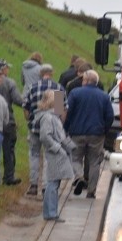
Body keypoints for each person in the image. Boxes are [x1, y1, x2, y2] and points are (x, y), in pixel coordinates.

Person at [65, 70, 114, 199]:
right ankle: (91, 191)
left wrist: (66, 128)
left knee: (75, 158)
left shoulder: (75, 93)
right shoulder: (104, 96)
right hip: (97, 134)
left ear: (85, 81)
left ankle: (79, 176)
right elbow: (110, 116)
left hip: (77, 132)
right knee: (94, 162)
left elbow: (67, 112)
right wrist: (104, 129)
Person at [23, 64, 66, 197]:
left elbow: (26, 108)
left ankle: (33, 185)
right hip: (52, 128)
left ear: (40, 74)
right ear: (51, 74)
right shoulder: (58, 88)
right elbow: (61, 111)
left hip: (35, 126)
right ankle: (46, 186)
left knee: (34, 154)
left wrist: (29, 121)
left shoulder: (32, 87)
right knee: (49, 156)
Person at [34, 90, 76, 221]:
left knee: (54, 183)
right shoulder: (48, 117)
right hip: (55, 153)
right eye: (59, 101)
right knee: (52, 183)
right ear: (53, 102)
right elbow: (45, 136)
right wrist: (57, 148)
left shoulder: (53, 116)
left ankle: (51, 212)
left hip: (59, 152)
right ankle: (50, 213)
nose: (62, 104)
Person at [0, 59, 24, 186]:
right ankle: (9, 177)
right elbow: (19, 100)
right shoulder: (9, 82)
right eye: (7, 68)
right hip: (8, 121)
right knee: (9, 149)